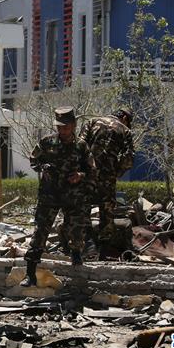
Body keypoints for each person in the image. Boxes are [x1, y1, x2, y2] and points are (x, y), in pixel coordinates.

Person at [21, 107, 96, 287]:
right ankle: (30, 273)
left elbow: (91, 169)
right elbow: (33, 159)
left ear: (73, 125)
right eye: (59, 127)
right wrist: (43, 168)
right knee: (40, 231)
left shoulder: (81, 146)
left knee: (76, 227)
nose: (62, 131)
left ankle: (76, 255)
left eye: (66, 127)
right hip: (50, 194)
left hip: (73, 195)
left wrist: (80, 175)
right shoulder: (47, 142)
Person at [80, 108, 134, 252]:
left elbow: (79, 145)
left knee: (83, 206)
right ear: (124, 117)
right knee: (107, 211)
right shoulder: (125, 131)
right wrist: (117, 171)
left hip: (87, 174)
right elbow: (128, 159)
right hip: (107, 177)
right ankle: (103, 249)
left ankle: (88, 243)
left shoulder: (92, 122)